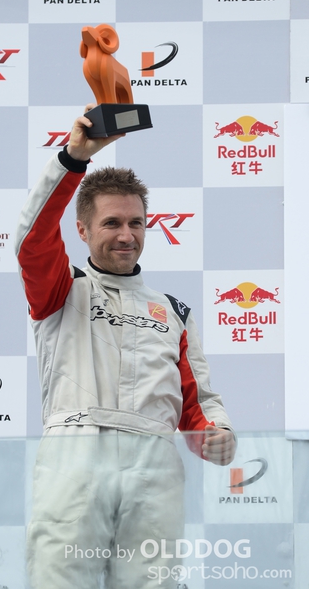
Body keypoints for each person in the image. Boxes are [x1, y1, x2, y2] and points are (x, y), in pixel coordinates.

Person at [15, 105, 236, 588]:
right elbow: (32, 240)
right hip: (76, 457)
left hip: (154, 466)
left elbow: (197, 405)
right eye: (112, 223)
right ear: (83, 230)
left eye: (136, 223)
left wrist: (217, 433)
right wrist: (72, 160)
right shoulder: (62, 288)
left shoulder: (173, 311)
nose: (126, 235)